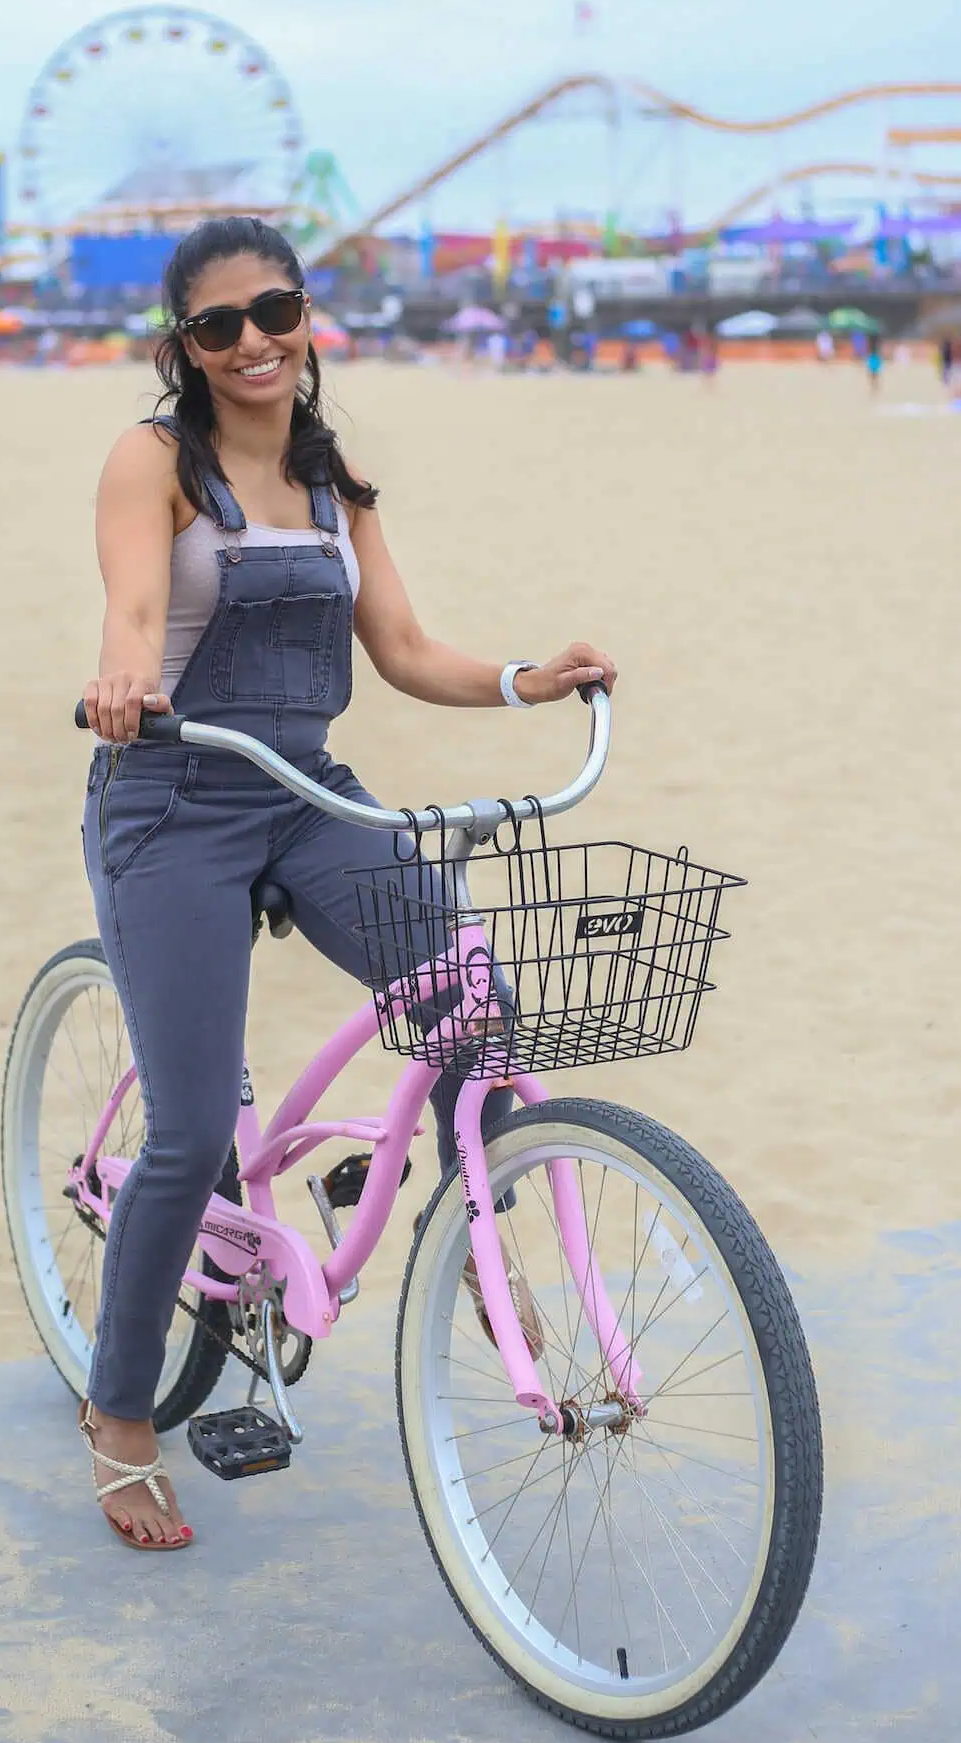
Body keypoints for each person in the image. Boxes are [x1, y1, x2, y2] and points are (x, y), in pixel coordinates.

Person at [79, 217, 617, 1549]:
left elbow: (406, 648)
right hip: (175, 798)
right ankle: (121, 1409)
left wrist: (526, 681)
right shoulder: (153, 461)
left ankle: (473, 1232)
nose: (253, 342)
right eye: (220, 326)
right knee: (189, 1131)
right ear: (185, 347)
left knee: (472, 994)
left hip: (308, 794)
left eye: (274, 311)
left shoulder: (338, 480)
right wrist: (125, 674)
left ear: (306, 316)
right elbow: (134, 609)